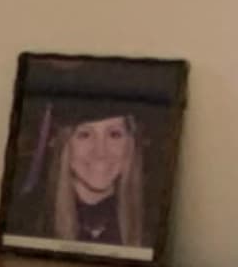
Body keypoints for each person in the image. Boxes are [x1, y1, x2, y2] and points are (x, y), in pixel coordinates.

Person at [20, 106, 151, 253]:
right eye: (84, 134)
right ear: (64, 144)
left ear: (130, 145)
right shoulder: (25, 222)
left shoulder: (151, 225)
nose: (100, 152)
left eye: (114, 134)